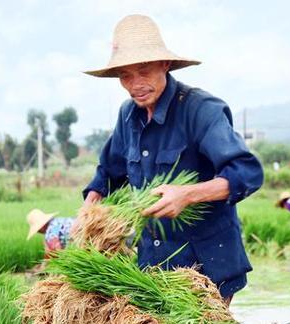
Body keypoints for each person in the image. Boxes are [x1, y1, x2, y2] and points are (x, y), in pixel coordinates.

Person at [81, 14, 264, 303]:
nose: (134, 84)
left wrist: (188, 195)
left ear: (165, 64)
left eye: (143, 70)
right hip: (153, 268)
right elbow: (109, 172)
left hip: (206, 270)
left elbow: (247, 173)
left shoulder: (201, 110)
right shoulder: (127, 115)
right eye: (125, 76)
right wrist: (91, 204)